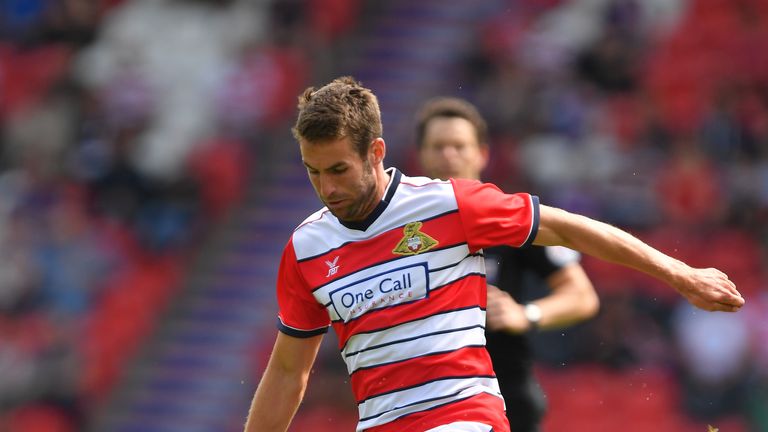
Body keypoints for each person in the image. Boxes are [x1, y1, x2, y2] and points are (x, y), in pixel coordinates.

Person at [244, 76, 744, 432]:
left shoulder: (451, 204)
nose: (326, 187)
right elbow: (288, 371)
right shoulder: (306, 249)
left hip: (464, 416)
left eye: (338, 170)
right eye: (313, 172)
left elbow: (569, 229)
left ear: (375, 152)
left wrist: (680, 273)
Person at [415, 96, 599, 432]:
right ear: (421, 155)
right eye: (438, 146)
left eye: (459, 146)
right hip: (423, 402)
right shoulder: (403, 231)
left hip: (506, 400)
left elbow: (582, 296)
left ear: (482, 154)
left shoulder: (511, 218)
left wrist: (526, 314)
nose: (449, 155)